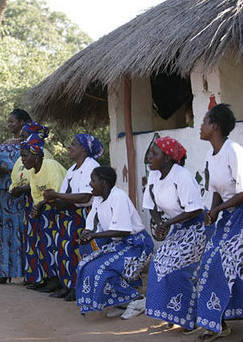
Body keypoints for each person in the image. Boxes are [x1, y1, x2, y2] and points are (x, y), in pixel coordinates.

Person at [142, 137, 206, 331]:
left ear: (168, 158)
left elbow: (194, 209)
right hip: (177, 228)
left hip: (196, 228)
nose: (150, 157)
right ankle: (170, 312)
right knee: (158, 265)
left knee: (175, 268)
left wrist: (167, 223)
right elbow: (150, 205)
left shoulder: (181, 176)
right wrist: (160, 223)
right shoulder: (154, 175)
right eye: (150, 153)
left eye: (155, 153)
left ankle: (190, 318)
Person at [76, 166, 154, 318]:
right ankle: (121, 302)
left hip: (138, 245)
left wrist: (94, 236)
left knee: (102, 268)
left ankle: (137, 300)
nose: (90, 184)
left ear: (103, 183)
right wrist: (86, 233)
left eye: (93, 180)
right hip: (121, 244)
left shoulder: (118, 196)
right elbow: (91, 224)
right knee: (87, 265)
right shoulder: (98, 199)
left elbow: (123, 231)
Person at [195, 104, 243, 341]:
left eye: (204, 122)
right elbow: (215, 190)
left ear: (214, 126)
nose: (200, 127)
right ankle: (217, 323)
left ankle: (218, 322)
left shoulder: (234, 151)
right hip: (229, 215)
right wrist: (213, 211)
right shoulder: (211, 155)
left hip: (240, 214)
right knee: (211, 262)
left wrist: (219, 209)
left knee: (219, 260)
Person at [43, 134, 103, 301]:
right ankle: (67, 285)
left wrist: (57, 195)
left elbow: (85, 197)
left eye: (73, 144)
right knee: (64, 250)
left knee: (77, 251)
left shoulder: (91, 166)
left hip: (86, 214)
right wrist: (52, 199)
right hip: (71, 215)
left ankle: (78, 287)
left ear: (83, 148)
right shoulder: (72, 169)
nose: (69, 147)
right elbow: (65, 197)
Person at [19, 127, 67, 293]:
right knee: (42, 242)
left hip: (62, 208)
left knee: (54, 243)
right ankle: (49, 277)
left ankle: (59, 280)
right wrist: (37, 208)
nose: (23, 160)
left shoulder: (50, 165)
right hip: (48, 208)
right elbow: (37, 196)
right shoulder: (33, 172)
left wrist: (39, 206)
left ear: (37, 155)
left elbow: (57, 191)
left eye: (25, 156)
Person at [9, 122, 54, 288]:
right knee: (33, 241)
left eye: (25, 134)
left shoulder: (44, 155)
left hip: (45, 203)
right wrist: (15, 188)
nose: (22, 138)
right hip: (31, 202)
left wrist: (22, 189)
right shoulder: (24, 154)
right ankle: (36, 277)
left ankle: (48, 278)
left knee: (45, 240)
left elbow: (42, 178)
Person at [0, 109, 32, 284]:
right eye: (8, 121)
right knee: (5, 231)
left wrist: (9, 171)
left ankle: (26, 272)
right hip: (4, 191)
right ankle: (4, 270)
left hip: (21, 192)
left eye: (12, 121)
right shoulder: (4, 144)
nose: (9, 124)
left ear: (22, 122)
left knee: (22, 230)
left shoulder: (30, 143)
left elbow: (31, 166)